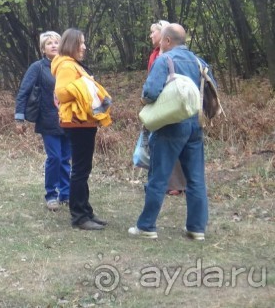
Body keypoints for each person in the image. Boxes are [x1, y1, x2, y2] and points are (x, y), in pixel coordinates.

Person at [129, 23, 212, 241]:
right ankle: (196, 228)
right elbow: (212, 91)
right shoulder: (199, 62)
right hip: (195, 124)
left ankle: (146, 226)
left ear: (167, 41)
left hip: (170, 125)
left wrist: (147, 101)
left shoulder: (164, 60)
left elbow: (150, 92)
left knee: (159, 177)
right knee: (195, 178)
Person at [51, 28, 113, 231]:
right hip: (78, 123)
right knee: (80, 170)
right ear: (71, 44)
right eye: (81, 43)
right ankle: (79, 217)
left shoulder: (72, 64)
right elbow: (61, 92)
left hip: (83, 123)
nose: (84, 47)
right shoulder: (67, 65)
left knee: (82, 169)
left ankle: (86, 211)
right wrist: (84, 87)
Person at [15, 31, 71, 211]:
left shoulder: (68, 65)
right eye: (49, 43)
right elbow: (23, 92)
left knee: (66, 158)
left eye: (57, 42)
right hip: (48, 120)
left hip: (70, 119)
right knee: (54, 157)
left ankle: (66, 193)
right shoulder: (37, 67)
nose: (54, 45)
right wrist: (19, 118)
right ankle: (51, 195)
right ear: (43, 49)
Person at [147, 20, 187, 196]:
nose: (151, 36)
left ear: (165, 37)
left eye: (153, 32)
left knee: (168, 143)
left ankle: (173, 185)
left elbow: (153, 88)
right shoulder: (155, 54)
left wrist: (147, 99)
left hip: (168, 107)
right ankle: (163, 183)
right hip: (161, 106)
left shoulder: (166, 56)